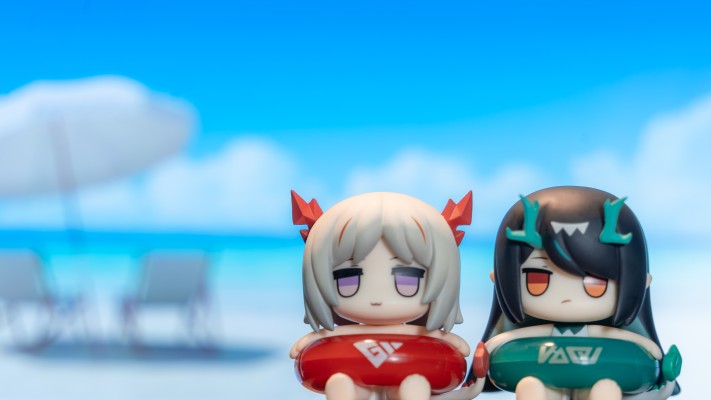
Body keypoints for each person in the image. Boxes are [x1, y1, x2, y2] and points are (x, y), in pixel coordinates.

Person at [289, 191, 482, 400]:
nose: (377, 299)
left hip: (407, 377)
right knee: (341, 383)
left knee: (414, 385)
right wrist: (313, 339)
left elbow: (452, 351)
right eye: (348, 278)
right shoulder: (341, 336)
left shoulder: (422, 335)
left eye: (407, 279)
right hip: (355, 376)